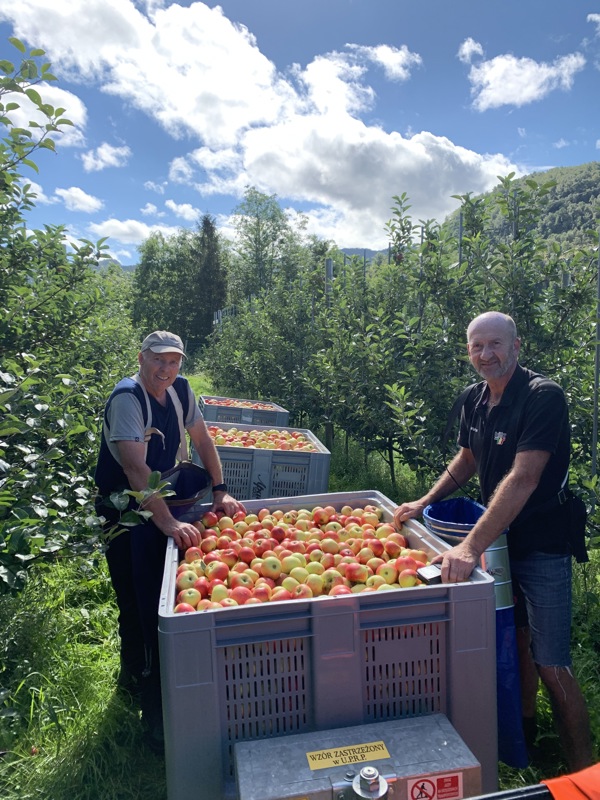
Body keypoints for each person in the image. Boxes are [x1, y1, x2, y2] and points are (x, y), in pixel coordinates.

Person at [393, 311, 593, 772]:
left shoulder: (543, 397)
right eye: (477, 346)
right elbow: (467, 459)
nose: (486, 355)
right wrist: (424, 501)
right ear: (468, 352)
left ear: (517, 346)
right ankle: (523, 741)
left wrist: (468, 547)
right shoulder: (475, 399)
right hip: (497, 540)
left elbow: (523, 478)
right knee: (515, 638)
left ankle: (583, 771)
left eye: (495, 344)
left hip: (542, 543)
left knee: (551, 661)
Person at [94, 330, 245, 750]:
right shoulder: (128, 398)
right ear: (141, 358)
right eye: (158, 360)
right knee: (135, 601)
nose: (166, 369)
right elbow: (134, 471)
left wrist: (221, 489)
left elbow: (202, 439)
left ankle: (163, 684)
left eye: (174, 361)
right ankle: (143, 698)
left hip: (163, 504)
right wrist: (166, 524)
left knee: (161, 601)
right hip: (125, 512)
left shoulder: (180, 390)